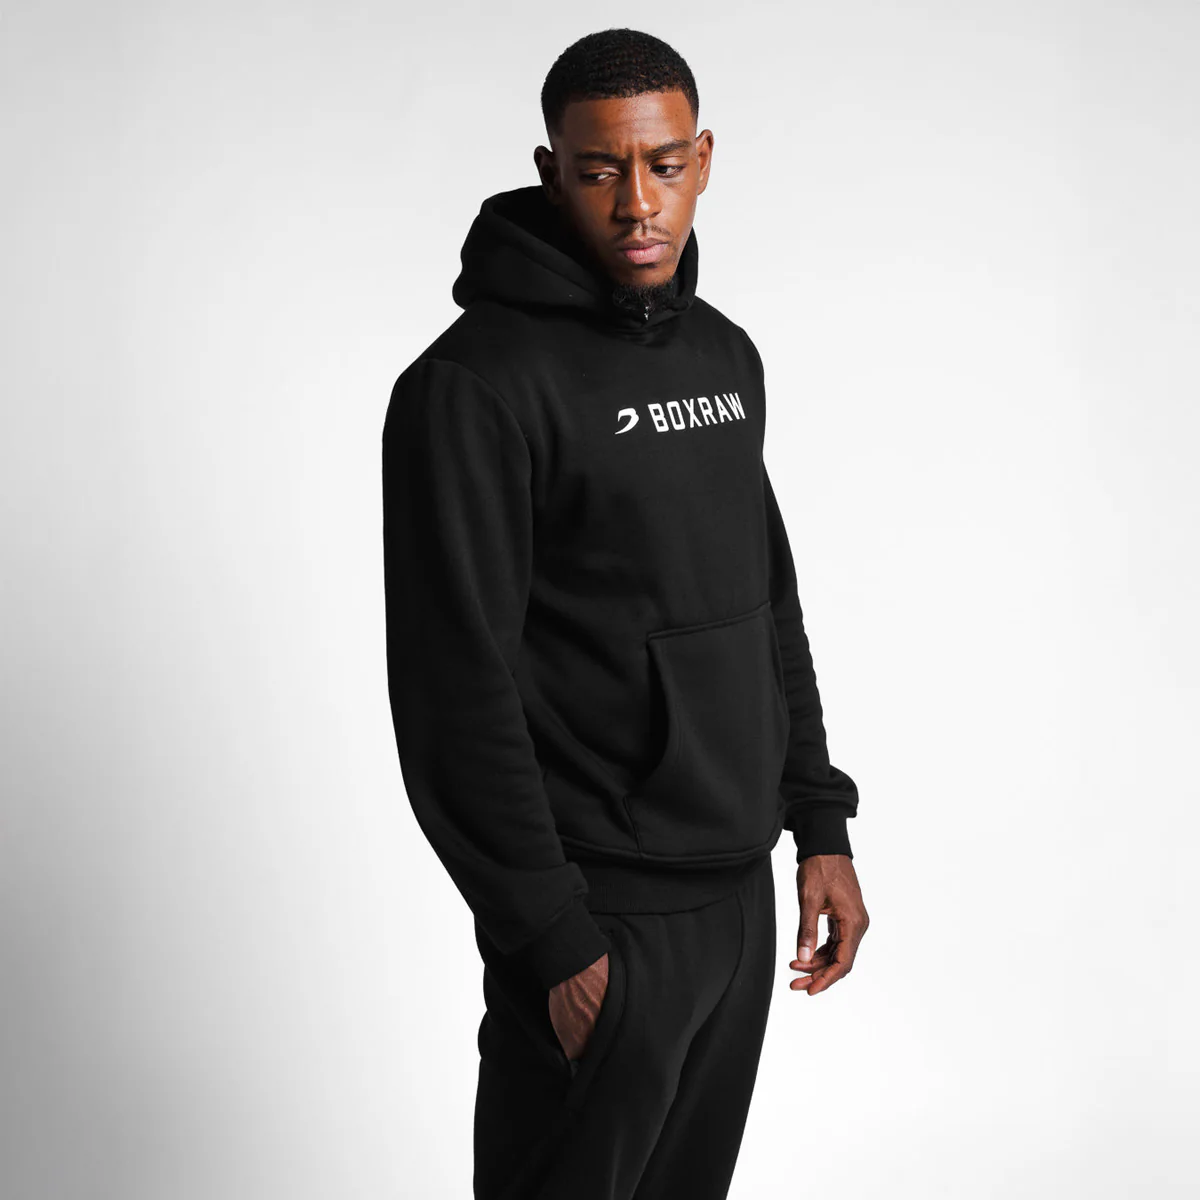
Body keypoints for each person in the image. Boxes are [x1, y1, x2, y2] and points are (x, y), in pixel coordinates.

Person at [382, 27, 869, 1200]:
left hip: (738, 902)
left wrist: (820, 822)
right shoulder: (473, 388)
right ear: (552, 172)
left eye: (663, 165)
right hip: (605, 916)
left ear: (704, 160)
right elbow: (455, 690)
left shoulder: (723, 357)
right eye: (600, 170)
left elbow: (767, 603)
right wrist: (552, 938)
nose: (637, 203)